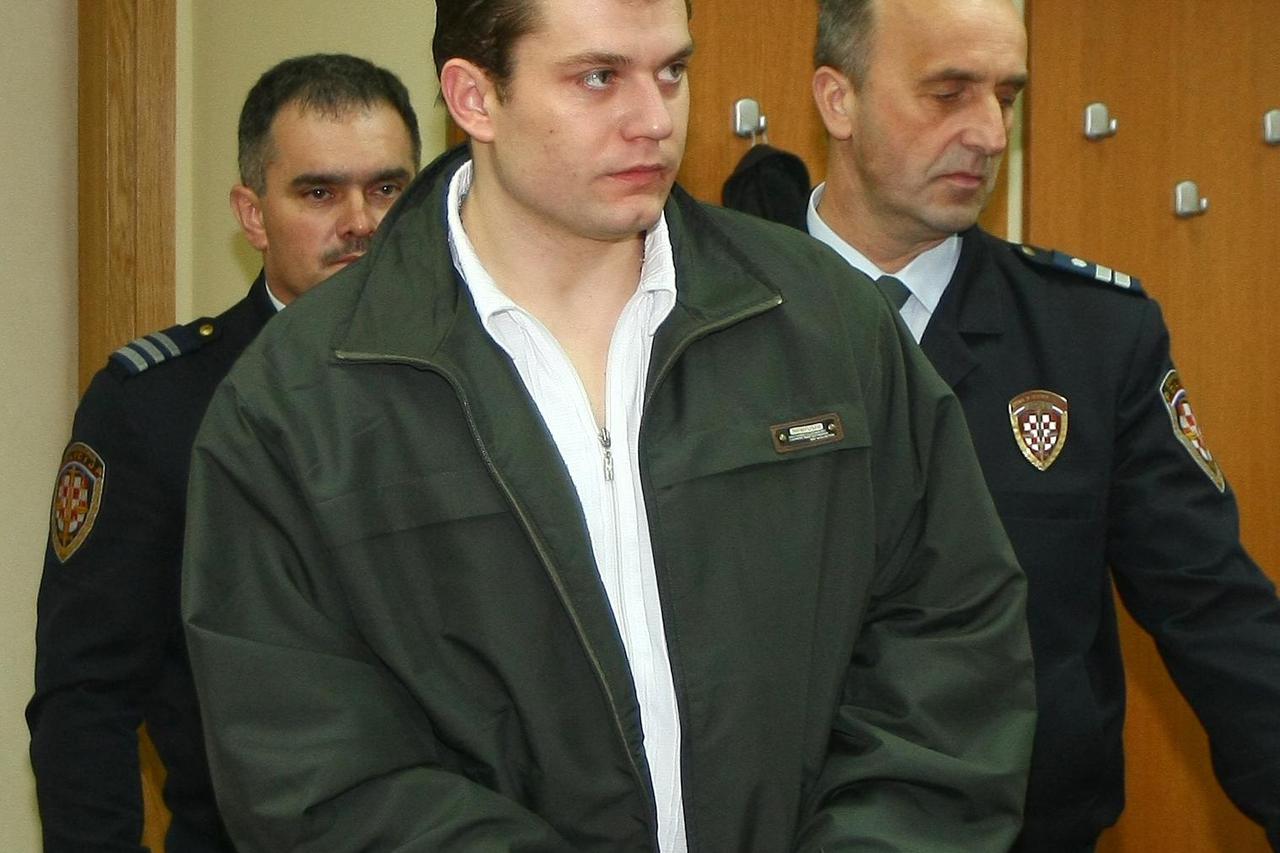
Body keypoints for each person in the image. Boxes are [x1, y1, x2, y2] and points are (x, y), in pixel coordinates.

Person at [179, 0, 1036, 850]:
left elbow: (949, 645)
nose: (654, 120)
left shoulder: (825, 323)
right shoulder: (301, 401)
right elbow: (313, 771)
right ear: (475, 98)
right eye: (598, 78)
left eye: (672, 72)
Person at [803, 0, 1280, 850]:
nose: (990, 134)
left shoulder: (1091, 335)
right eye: (949, 93)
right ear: (839, 100)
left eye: (1007, 97)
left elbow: (1214, 609)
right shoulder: (703, 323)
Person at [27, 53, 420, 852]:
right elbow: (86, 694)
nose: (361, 222)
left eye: (388, 189)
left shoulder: (483, 384)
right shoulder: (159, 406)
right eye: (319, 192)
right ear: (253, 214)